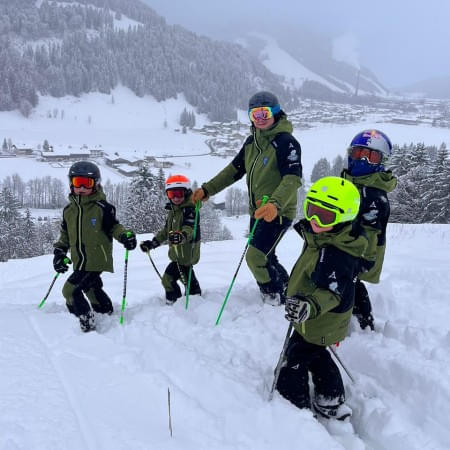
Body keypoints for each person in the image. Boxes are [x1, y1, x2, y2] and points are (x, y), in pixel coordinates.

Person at [192, 91, 302, 305]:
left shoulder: (286, 142)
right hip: (258, 212)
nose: (260, 119)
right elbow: (233, 170)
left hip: (277, 213)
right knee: (266, 255)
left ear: (276, 113)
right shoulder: (252, 142)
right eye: (255, 115)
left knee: (255, 257)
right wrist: (208, 190)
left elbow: (293, 178)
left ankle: (273, 296)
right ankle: (289, 288)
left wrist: (275, 204)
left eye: (265, 113)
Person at [276, 176, 367, 420]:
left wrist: (310, 305)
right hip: (315, 316)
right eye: (312, 211)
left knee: (296, 357)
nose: (315, 221)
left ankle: (291, 403)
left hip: (321, 317)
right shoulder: (322, 238)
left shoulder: (334, 252)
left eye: (325, 216)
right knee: (315, 352)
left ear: (344, 217)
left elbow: (331, 292)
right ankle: (331, 398)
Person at [53, 161, 137, 332]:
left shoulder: (102, 208)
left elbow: (114, 227)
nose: (82, 188)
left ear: (96, 184)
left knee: (70, 290)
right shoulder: (69, 210)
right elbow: (65, 235)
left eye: (87, 183)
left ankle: (85, 323)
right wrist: (59, 252)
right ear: (71, 184)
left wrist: (125, 236)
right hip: (80, 260)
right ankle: (104, 309)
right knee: (91, 288)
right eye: (78, 183)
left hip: (96, 258)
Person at [341, 129, 398, 330]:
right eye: (358, 153)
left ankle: (363, 322)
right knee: (349, 283)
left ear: (381, 162)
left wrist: (363, 260)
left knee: (350, 283)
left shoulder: (374, 195)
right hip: (345, 247)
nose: (363, 160)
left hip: (362, 253)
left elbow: (371, 234)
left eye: (371, 156)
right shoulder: (350, 183)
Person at [140, 174, 202, 305]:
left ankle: (177, 302)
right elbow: (165, 232)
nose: (175, 198)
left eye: (179, 194)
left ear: (186, 193)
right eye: (171, 194)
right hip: (177, 255)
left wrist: (182, 236)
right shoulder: (173, 211)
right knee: (173, 280)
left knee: (170, 279)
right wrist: (152, 243)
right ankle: (181, 300)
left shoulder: (190, 210)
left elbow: (189, 228)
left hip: (186, 255)